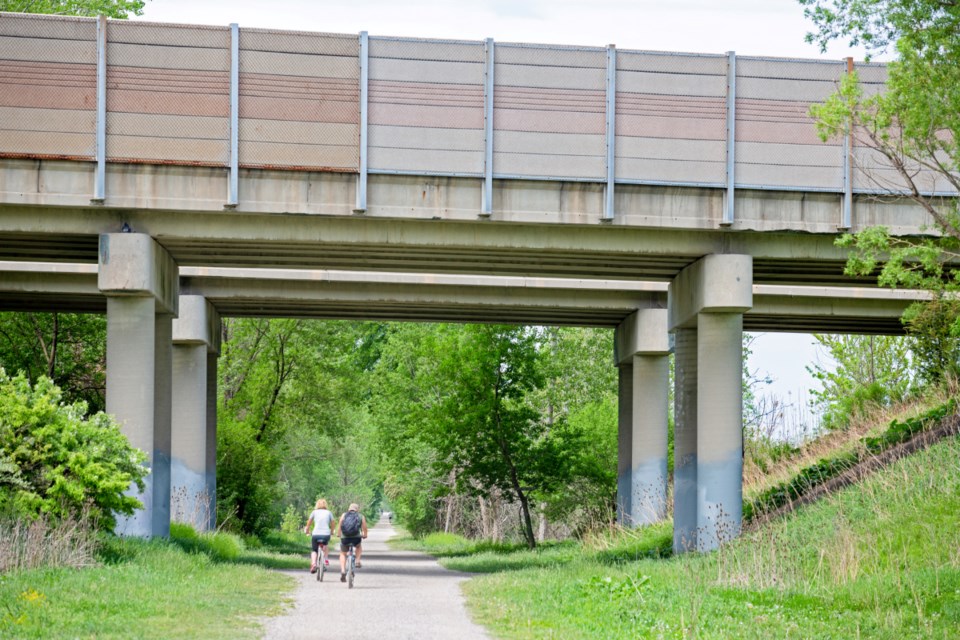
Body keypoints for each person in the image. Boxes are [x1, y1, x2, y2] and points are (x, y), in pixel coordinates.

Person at [336, 503, 368, 582]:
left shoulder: (344, 515)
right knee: (358, 546)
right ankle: (357, 561)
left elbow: (340, 525)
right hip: (356, 538)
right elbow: (364, 527)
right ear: (357, 509)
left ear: (349, 509)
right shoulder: (360, 516)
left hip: (345, 538)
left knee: (343, 553)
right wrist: (365, 535)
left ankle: (343, 570)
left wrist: (339, 534)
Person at [304, 498, 335, 574]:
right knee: (325, 545)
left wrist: (307, 531)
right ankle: (326, 559)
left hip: (316, 534)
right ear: (325, 505)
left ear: (317, 505)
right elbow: (333, 523)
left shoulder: (314, 512)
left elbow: (308, 524)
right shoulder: (329, 513)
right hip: (326, 534)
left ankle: (314, 563)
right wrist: (331, 532)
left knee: (314, 550)